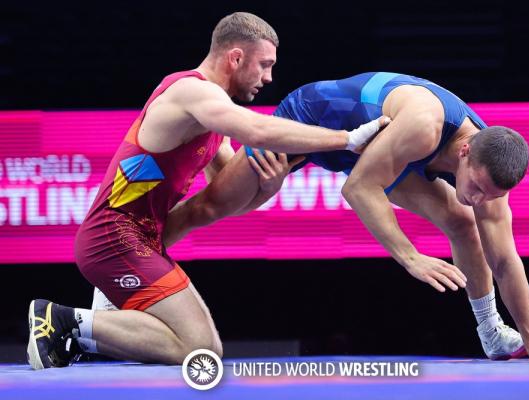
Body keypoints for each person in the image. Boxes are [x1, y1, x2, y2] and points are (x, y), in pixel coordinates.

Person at [26, 13, 389, 370]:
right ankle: (61, 319)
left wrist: (271, 185)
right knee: (200, 348)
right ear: (236, 57)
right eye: (264, 65)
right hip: (113, 238)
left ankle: (86, 336)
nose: (268, 77)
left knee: (200, 347)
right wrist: (347, 139)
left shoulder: (211, 120)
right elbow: (258, 131)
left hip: (142, 240)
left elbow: (222, 201)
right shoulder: (192, 92)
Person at [159, 72, 529, 362]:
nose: (478, 199)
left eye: (487, 195)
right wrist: (410, 255)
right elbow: (358, 188)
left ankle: (492, 333)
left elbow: (506, 261)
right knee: (213, 206)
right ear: (464, 152)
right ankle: (143, 252)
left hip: (377, 151)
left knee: (463, 222)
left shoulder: (489, 178)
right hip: (316, 118)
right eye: (475, 186)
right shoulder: (424, 126)